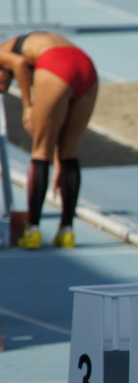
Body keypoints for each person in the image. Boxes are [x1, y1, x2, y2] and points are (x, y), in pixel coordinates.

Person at [0, 31, 99, 249]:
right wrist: (58, 166)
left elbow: (19, 63)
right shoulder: (37, 42)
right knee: (69, 153)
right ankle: (67, 232)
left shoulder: (2, 52)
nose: (2, 88)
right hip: (85, 66)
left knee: (40, 151)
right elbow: (56, 125)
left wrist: (27, 105)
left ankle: (32, 230)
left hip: (57, 64)